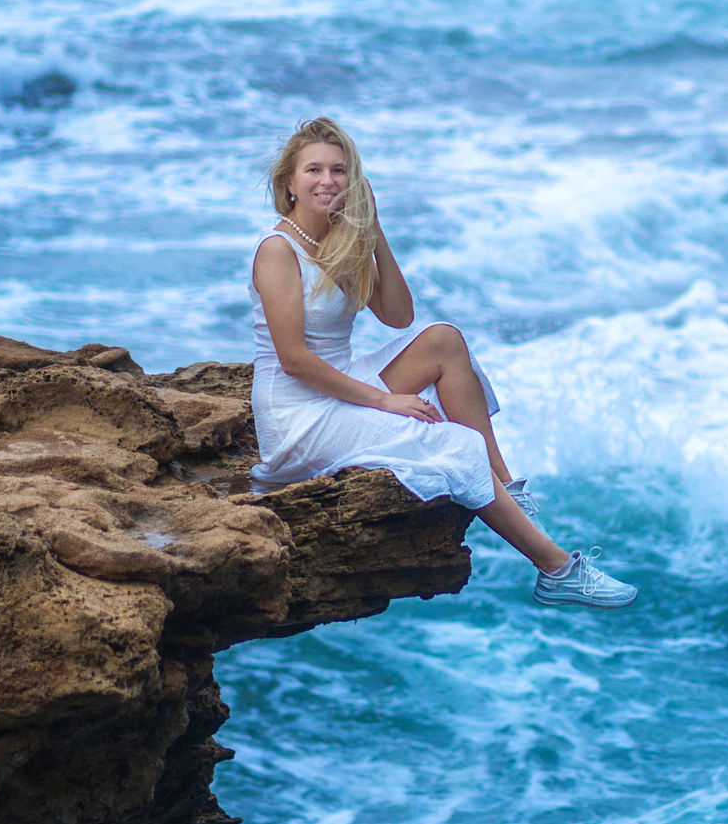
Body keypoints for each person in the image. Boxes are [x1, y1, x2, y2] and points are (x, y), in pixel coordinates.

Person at [246, 116, 637, 609]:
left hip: (339, 383)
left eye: (340, 171)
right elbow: (295, 361)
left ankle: (507, 486)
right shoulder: (278, 251)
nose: (327, 181)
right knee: (454, 444)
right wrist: (385, 401)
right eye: (314, 170)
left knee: (444, 341)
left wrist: (373, 230)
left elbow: (398, 315)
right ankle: (556, 569)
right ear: (289, 183)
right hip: (298, 413)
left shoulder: (337, 243)